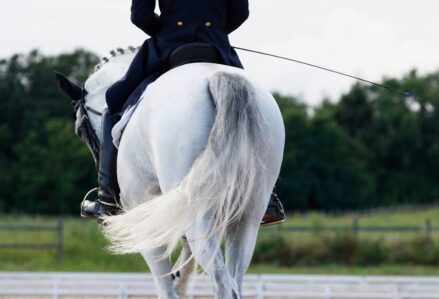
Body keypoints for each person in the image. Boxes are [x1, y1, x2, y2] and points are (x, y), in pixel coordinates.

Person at [81, 0, 286, 225]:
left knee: (112, 104)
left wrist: (171, 29)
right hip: (216, 46)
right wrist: (212, 29)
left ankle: (107, 198)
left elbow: (140, 16)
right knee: (251, 109)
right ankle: (268, 199)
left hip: (169, 46)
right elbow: (240, 13)